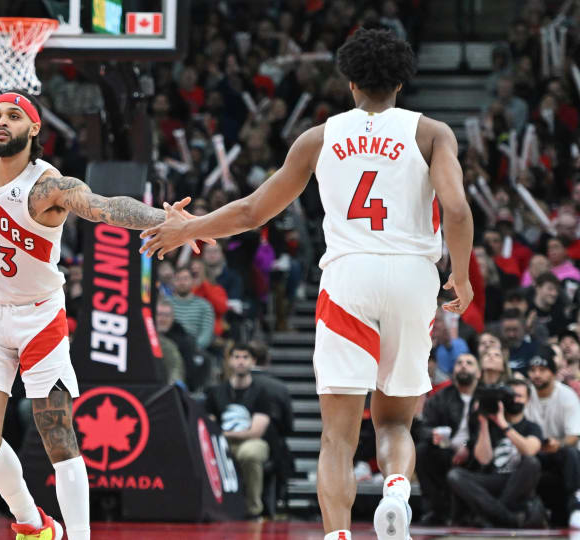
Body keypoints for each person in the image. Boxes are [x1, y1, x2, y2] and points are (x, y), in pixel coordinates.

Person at [141, 28, 474, 540]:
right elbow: (457, 209)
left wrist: (190, 228)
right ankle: (395, 492)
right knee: (394, 422)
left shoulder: (319, 137)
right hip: (412, 275)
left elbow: (253, 211)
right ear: (401, 83)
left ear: (349, 82)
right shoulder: (431, 133)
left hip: (348, 276)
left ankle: (337, 535)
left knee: (338, 437)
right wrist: (462, 276)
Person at [0, 90, 206, 540]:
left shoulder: (48, 187)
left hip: (39, 318)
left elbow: (106, 207)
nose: (1, 122)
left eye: (13, 116)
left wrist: (167, 220)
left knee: (57, 435)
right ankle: (34, 524)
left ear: (34, 128)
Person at [447, 379, 545, 528]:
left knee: (532, 463)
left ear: (528, 400)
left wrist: (503, 424)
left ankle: (492, 517)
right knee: (455, 475)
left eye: (519, 396)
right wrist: (484, 422)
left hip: (518, 480)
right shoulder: (491, 424)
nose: (514, 400)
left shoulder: (532, 427)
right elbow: (483, 460)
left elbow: (529, 450)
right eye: (511, 396)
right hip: (492, 478)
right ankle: (508, 519)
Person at [204, 344, 280, 517]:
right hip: (222, 442)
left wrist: (225, 434)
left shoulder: (262, 393)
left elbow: (256, 431)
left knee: (249, 453)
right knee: (208, 452)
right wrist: (223, 436)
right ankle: (214, 507)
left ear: (253, 361)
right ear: (229, 361)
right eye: (236, 357)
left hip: (253, 442)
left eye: (245, 357)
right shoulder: (216, 392)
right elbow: (209, 426)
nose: (240, 361)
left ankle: (253, 508)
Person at [525, 347, 580, 529]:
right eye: (533, 370)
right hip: (535, 450)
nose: (537, 375)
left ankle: (578, 509)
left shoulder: (567, 395)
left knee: (571, 453)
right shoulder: (526, 395)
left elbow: (574, 436)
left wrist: (558, 444)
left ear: (553, 373)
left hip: (563, 451)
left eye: (542, 370)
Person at [415, 353, 480, 525]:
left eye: (469, 363)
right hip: (447, 449)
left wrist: (467, 446)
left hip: (476, 452)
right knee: (422, 451)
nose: (463, 365)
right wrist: (434, 434)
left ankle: (473, 512)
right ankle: (435, 510)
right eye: (459, 363)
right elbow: (423, 428)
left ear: (479, 373)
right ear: (453, 371)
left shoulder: (484, 397)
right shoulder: (441, 397)